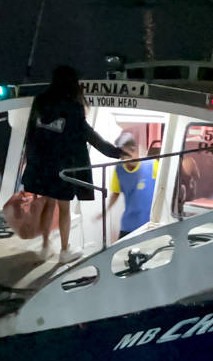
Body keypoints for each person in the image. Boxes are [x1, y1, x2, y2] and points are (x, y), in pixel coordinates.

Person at [21, 65, 132, 263]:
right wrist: (115, 152)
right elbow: (88, 135)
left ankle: (45, 247)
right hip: (64, 166)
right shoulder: (73, 106)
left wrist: (31, 162)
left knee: (48, 203)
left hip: (42, 165)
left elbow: (31, 134)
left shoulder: (40, 101)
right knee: (64, 208)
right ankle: (65, 251)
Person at [98, 134, 159, 240]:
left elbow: (165, 188)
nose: (123, 158)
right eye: (121, 154)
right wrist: (105, 211)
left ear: (133, 150)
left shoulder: (152, 165)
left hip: (148, 225)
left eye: (125, 153)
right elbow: (116, 193)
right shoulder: (119, 169)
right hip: (128, 225)